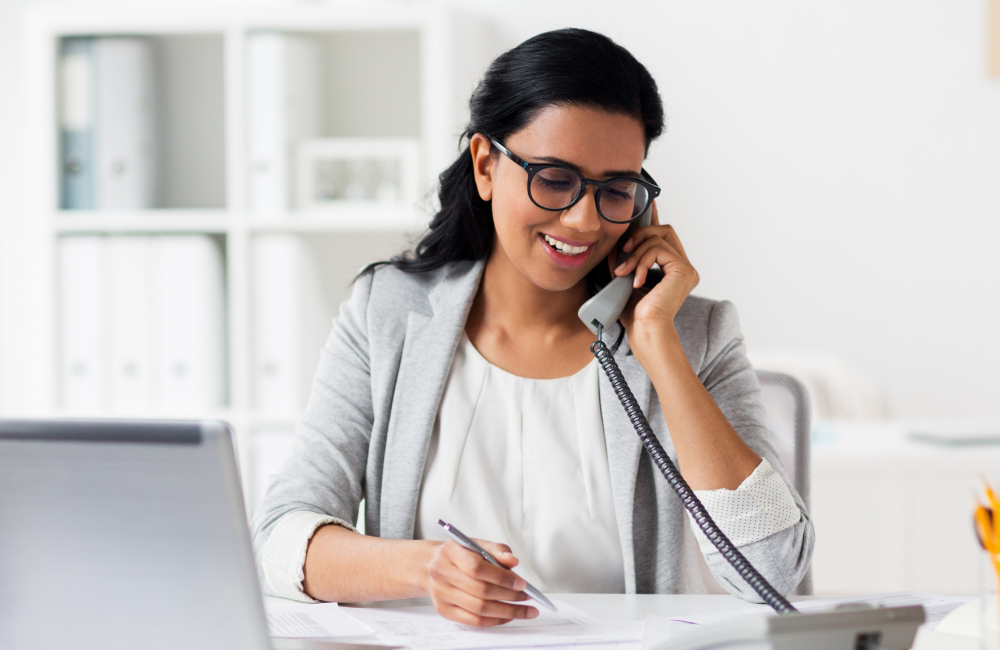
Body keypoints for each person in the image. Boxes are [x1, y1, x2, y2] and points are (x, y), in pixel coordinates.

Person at [251, 28, 813, 627]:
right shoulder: (388, 315)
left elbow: (776, 569)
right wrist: (426, 569)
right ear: (486, 165)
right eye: (553, 179)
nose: (582, 219)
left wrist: (658, 345)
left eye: (616, 190)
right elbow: (281, 541)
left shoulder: (693, 332)